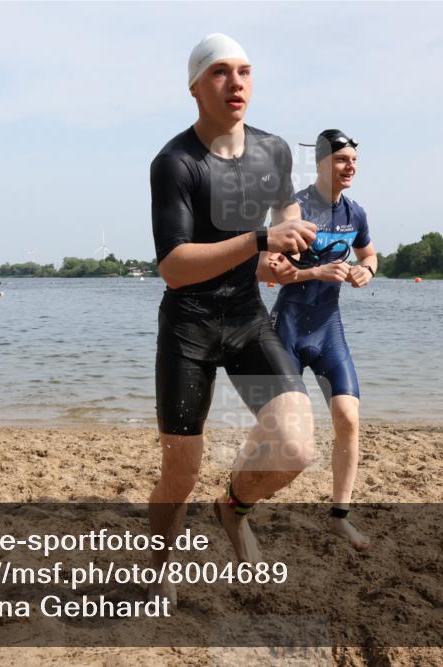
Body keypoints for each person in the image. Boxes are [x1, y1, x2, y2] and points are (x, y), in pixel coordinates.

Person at [148, 33, 318, 602]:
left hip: (247, 320)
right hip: (189, 328)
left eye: (244, 71)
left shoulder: (273, 151)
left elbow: (286, 209)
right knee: (180, 474)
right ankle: (160, 565)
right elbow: (174, 266)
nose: (236, 82)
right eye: (220, 72)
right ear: (195, 88)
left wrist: (284, 253)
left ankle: (233, 507)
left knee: (295, 447)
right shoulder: (175, 163)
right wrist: (259, 240)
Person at [261, 129, 376, 551]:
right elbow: (268, 269)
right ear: (323, 162)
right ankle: (242, 502)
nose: (351, 167)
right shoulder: (295, 208)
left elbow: (369, 254)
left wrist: (366, 271)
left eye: (355, 161)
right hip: (288, 329)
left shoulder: (355, 213)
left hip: (329, 330)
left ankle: (340, 517)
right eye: (343, 160)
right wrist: (315, 272)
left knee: (348, 418)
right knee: (284, 436)